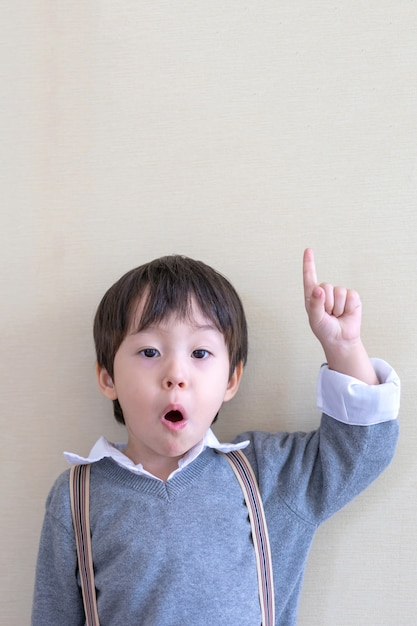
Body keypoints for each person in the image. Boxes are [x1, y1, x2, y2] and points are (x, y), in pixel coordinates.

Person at [31, 249, 400, 626]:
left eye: (200, 352)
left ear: (231, 380)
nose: (176, 374)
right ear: (108, 377)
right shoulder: (77, 497)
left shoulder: (267, 475)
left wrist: (343, 349)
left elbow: (362, 452)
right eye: (149, 351)